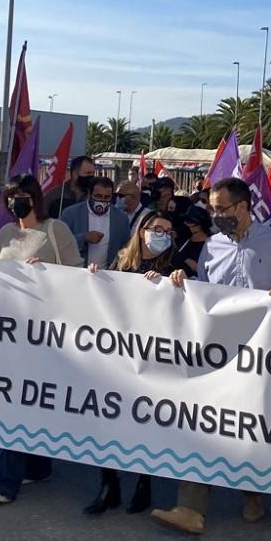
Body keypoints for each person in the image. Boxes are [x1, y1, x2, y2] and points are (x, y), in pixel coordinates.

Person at [150, 177, 271, 535]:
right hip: (216, 350)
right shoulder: (212, 245)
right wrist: (180, 283)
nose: (215, 215)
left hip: (262, 351)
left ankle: (252, 493)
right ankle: (190, 508)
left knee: (248, 424)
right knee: (205, 420)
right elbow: (202, 288)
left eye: (222, 209)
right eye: (212, 209)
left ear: (242, 207)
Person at [0, 175, 83, 504]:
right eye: (11, 197)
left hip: (46, 331)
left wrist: (49, 274)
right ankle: (37, 466)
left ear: (35, 198)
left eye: (22, 196)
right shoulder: (7, 232)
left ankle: (4, 482)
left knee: (21, 402)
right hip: (12, 329)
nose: (15, 202)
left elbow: (78, 275)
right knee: (25, 400)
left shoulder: (56, 229)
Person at [81, 213, 185, 514]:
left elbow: (187, 305)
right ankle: (108, 484)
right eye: (156, 229)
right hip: (119, 352)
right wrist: (95, 277)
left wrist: (173, 284)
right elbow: (106, 297)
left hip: (155, 355)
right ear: (141, 232)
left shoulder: (175, 265)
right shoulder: (123, 260)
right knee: (110, 418)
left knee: (146, 419)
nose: (162, 234)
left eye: (168, 230)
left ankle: (144, 483)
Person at [60, 176, 131, 269]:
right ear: (89, 194)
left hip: (107, 275)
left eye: (107, 197)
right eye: (98, 196)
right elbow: (60, 243)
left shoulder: (121, 218)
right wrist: (84, 238)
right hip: (77, 271)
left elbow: (126, 247)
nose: (102, 200)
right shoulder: (70, 213)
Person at [177, 206, 212, 277]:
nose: (185, 223)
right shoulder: (183, 241)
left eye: (188, 221)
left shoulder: (212, 244)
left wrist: (197, 267)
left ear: (198, 227)